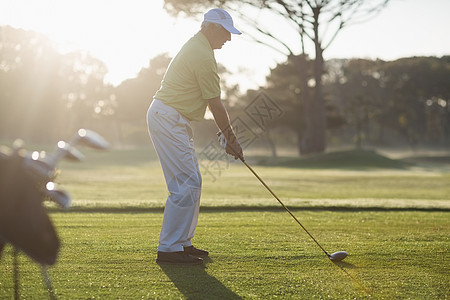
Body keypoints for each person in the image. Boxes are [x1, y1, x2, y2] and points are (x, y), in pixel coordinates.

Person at [146, 8, 244, 265]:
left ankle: (182, 243)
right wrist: (232, 139)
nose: (229, 39)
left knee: (192, 181)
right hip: (168, 117)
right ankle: (169, 249)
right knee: (186, 182)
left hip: (173, 118)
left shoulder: (200, 48)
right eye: (225, 32)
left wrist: (225, 136)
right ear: (210, 27)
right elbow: (215, 104)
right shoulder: (201, 54)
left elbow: (209, 103)